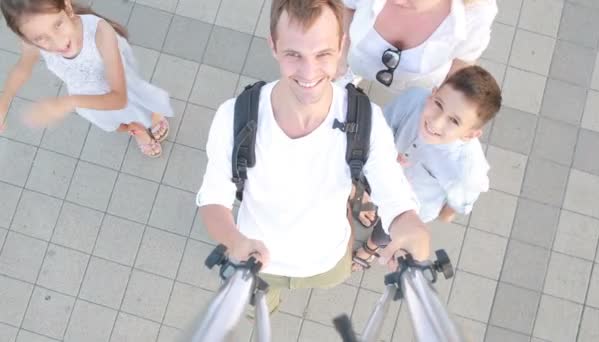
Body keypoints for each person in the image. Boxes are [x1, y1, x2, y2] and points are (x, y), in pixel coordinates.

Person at [196, 0, 430, 313]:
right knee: (262, 303)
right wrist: (235, 242)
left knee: (262, 301)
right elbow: (213, 199)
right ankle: (267, 306)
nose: (309, 72)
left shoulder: (365, 119)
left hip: (328, 259)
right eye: (294, 54)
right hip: (256, 260)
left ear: (341, 45)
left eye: (323, 54)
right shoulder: (234, 116)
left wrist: (411, 226)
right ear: (274, 47)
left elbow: (394, 194)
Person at [352, 65, 502, 271]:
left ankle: (370, 249)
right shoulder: (414, 99)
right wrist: (386, 155)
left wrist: (444, 214)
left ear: (469, 134)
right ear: (433, 92)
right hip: (378, 173)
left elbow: (456, 206)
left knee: (387, 232)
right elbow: (381, 128)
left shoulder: (467, 171)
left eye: (454, 120)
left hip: (415, 208)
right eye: (439, 104)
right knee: (365, 193)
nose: (436, 122)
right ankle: (365, 207)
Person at [0, 0, 173, 157]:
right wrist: (3, 103)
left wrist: (65, 103)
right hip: (84, 95)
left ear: (67, 8)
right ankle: (136, 129)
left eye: (57, 25)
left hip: (119, 88)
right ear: (26, 37)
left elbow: (119, 98)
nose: (59, 43)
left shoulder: (100, 32)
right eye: (41, 38)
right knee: (113, 122)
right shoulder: (30, 42)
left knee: (137, 104)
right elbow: (23, 68)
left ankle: (150, 116)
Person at [336, 0, 497, 93]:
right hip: (356, 61)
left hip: (419, 88)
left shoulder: (475, 14)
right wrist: (341, 58)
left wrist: (441, 106)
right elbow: (346, 7)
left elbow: (462, 61)